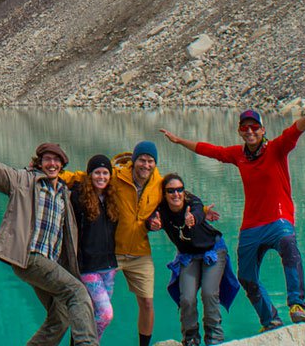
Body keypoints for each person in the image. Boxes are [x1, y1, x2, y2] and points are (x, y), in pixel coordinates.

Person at [160, 92, 305, 331]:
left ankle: (296, 304)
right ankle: (270, 320)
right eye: (245, 127)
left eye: (254, 127)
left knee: (289, 245)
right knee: (246, 278)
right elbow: (211, 151)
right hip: (250, 226)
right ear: (240, 131)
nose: (250, 131)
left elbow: (295, 131)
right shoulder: (239, 155)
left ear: (262, 129)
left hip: (279, 220)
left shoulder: (276, 149)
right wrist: (179, 141)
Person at [0, 124, 100, 346]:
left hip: (48, 263)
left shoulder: (64, 194)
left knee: (60, 316)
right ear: (39, 162)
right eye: (47, 159)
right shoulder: (22, 180)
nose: (52, 163)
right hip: (29, 255)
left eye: (56, 160)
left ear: (62, 165)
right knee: (77, 293)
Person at [61, 141, 166, 345]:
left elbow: (178, 197)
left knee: (145, 302)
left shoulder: (159, 185)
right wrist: (53, 173)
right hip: (110, 255)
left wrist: (201, 212)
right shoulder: (115, 177)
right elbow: (81, 176)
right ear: (134, 161)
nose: (146, 165)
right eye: (142, 160)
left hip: (132, 254)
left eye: (150, 161)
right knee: (101, 311)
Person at [146, 173, 239, 346]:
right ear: (164, 194)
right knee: (187, 298)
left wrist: (193, 218)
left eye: (179, 189)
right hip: (188, 256)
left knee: (209, 293)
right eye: (171, 191)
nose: (176, 194)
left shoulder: (192, 202)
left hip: (213, 251)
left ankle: (215, 338)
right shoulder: (161, 211)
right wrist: (151, 224)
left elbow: (198, 210)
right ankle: (190, 338)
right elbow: (148, 221)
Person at [71, 155, 120, 335]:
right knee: (106, 314)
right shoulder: (79, 198)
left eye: (105, 173)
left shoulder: (111, 199)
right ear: (89, 175)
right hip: (88, 267)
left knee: (93, 312)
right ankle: (90, 342)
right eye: (97, 173)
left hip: (109, 266)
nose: (101, 177)